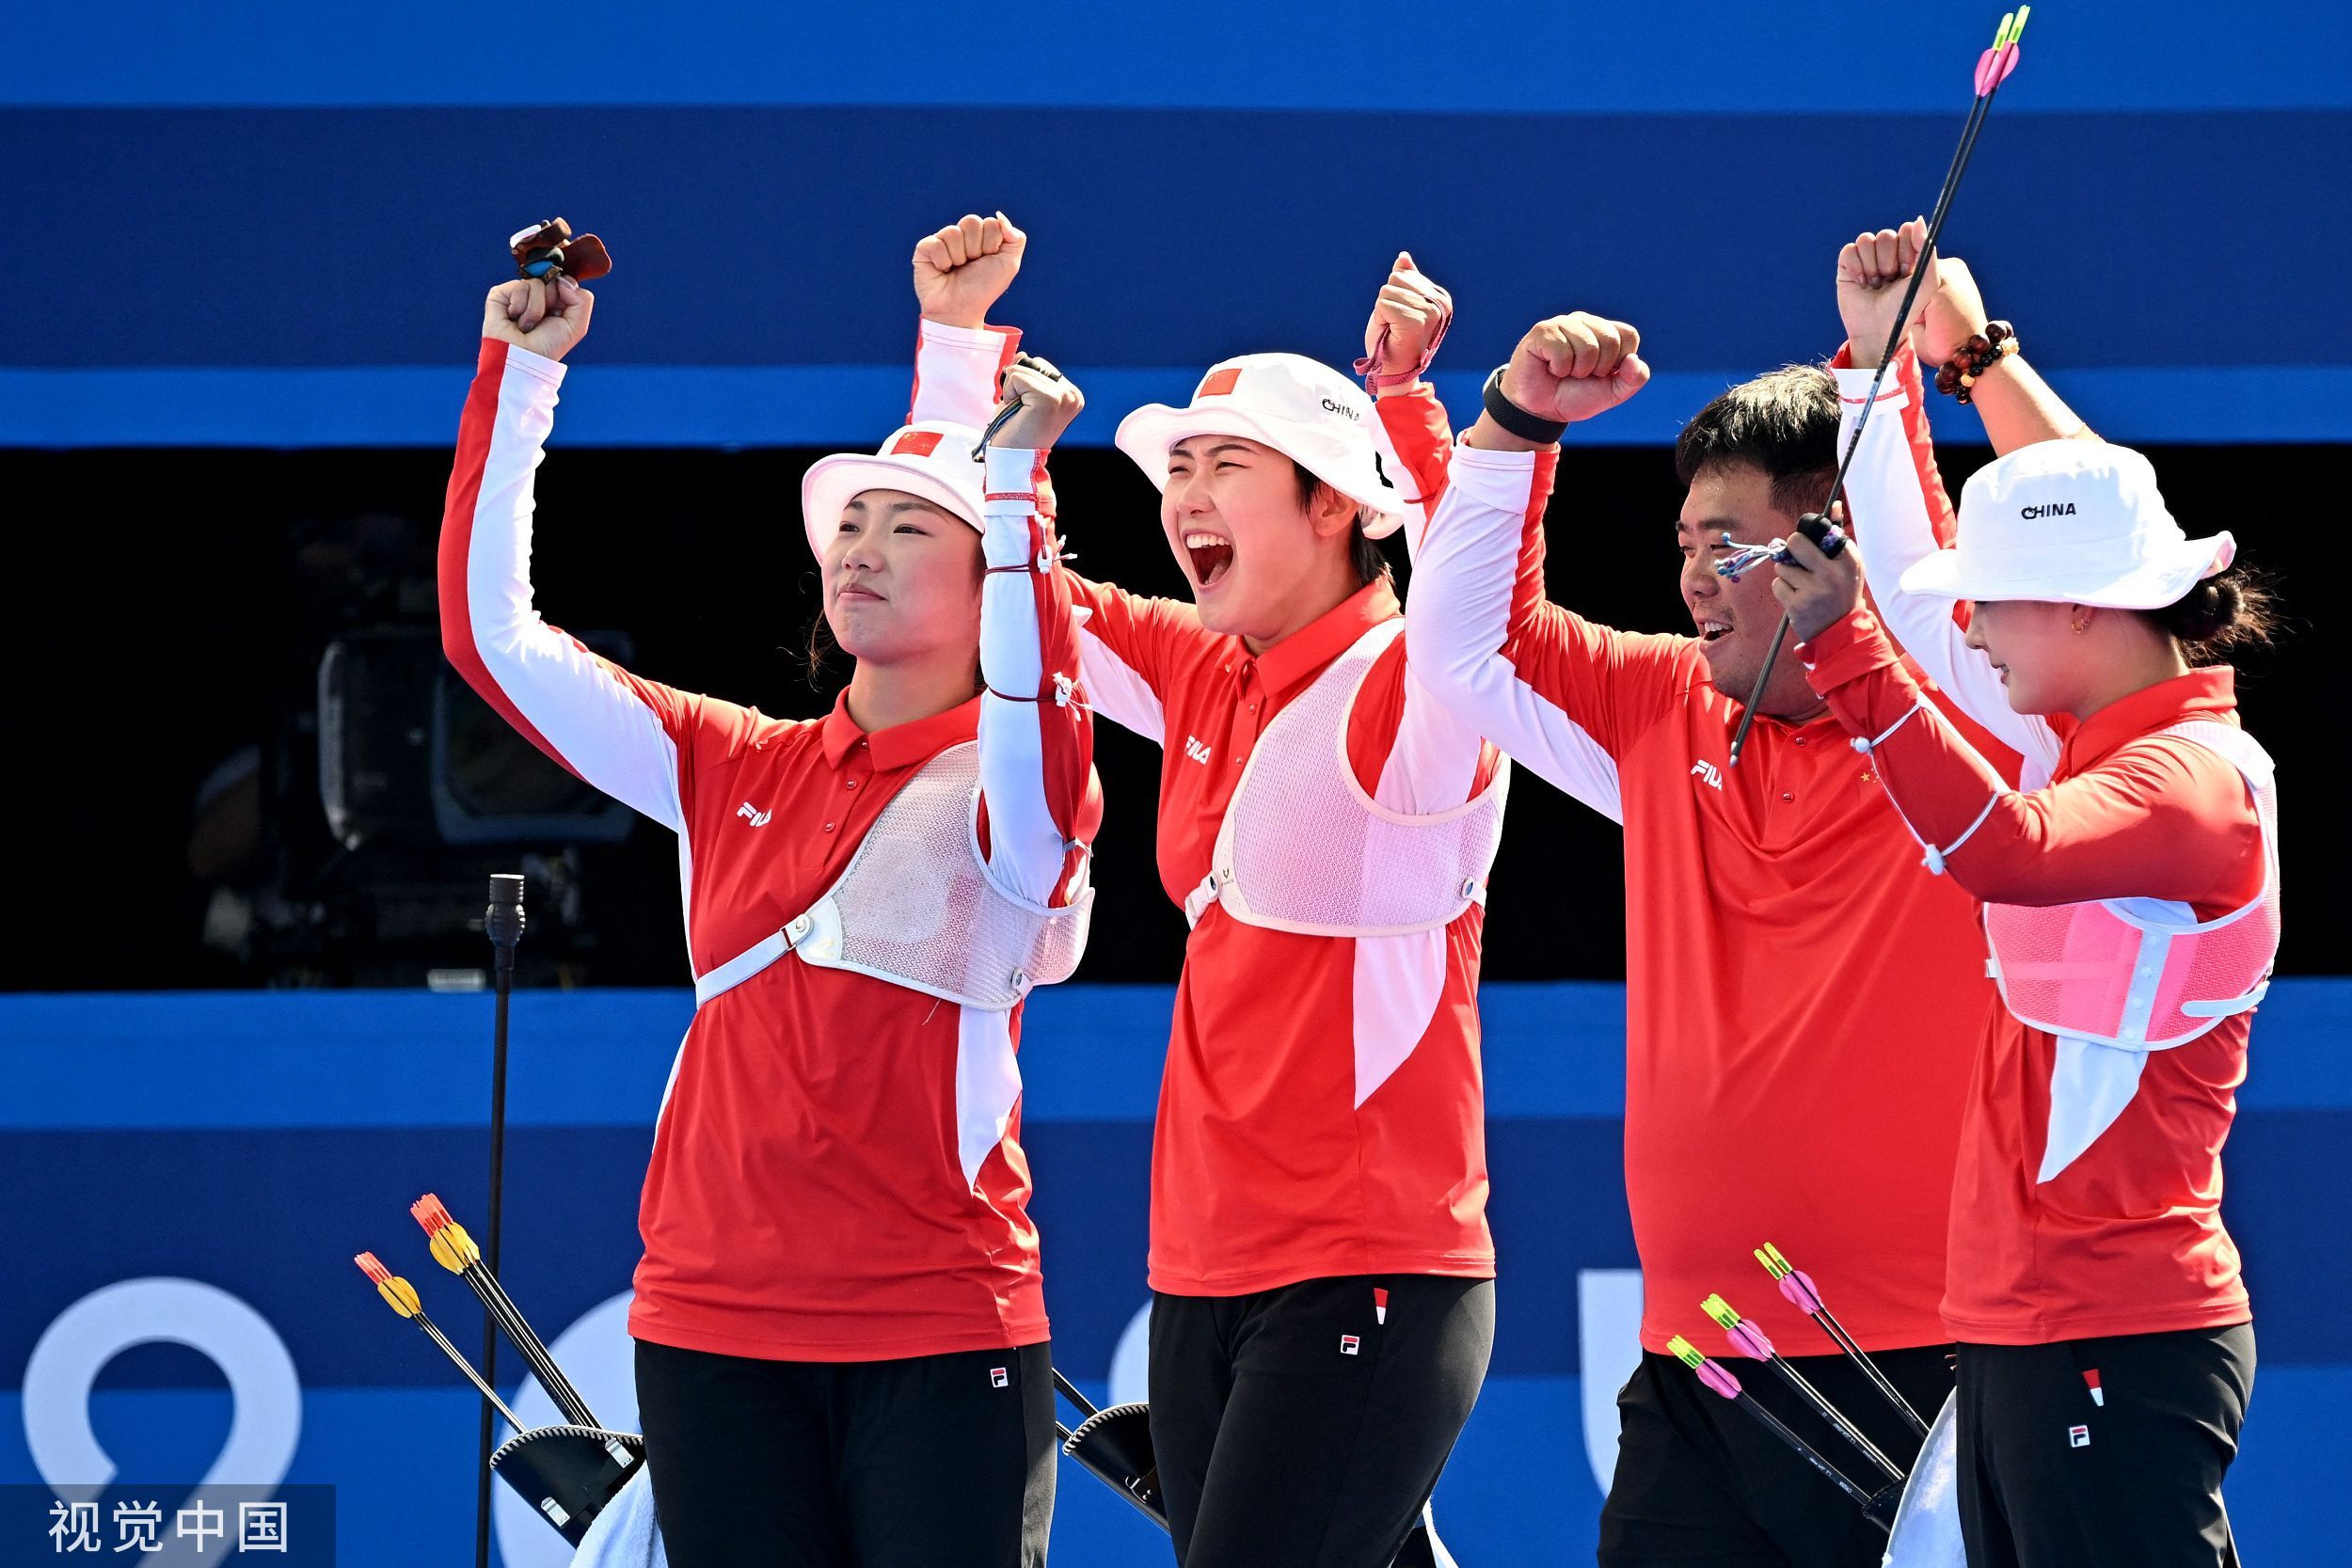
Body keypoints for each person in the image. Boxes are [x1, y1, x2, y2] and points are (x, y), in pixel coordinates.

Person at [438, 253, 1100, 1567]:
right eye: (851, 525)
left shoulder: (1019, 787)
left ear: (996, 585)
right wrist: (521, 378)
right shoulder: (727, 759)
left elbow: (1040, 705)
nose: (860, 548)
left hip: (939, 1329)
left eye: (908, 531)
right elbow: (490, 638)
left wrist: (1014, 487)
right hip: (710, 1333)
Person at [906, 214, 1544, 1568]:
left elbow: (1476, 608)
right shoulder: (1205, 664)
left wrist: (1410, 404)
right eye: (1175, 469)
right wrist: (956, 353)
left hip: (1367, 1263)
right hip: (1202, 1267)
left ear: (1334, 504)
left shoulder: (1412, 690)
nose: (1184, 496)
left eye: (1225, 465)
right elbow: (985, 575)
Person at [1399, 264, 2013, 1561]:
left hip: (1933, 1364)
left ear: (1829, 546)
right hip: (1700, 1365)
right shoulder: (1657, 709)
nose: (1691, 580)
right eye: (1684, 544)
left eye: (1725, 546)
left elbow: (1920, 589)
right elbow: (1461, 648)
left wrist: (1877, 377)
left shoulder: (1964, 722)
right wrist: (1516, 423)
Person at [1779, 237, 2276, 1568]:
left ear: (2084, 609)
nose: (1970, 629)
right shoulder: (2086, 724)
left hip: (2115, 1327)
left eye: (1991, 602)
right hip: (2031, 1322)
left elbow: (2006, 851)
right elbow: (2086, 509)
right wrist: (1924, 363)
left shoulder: (2192, 782)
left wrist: (1847, 656)